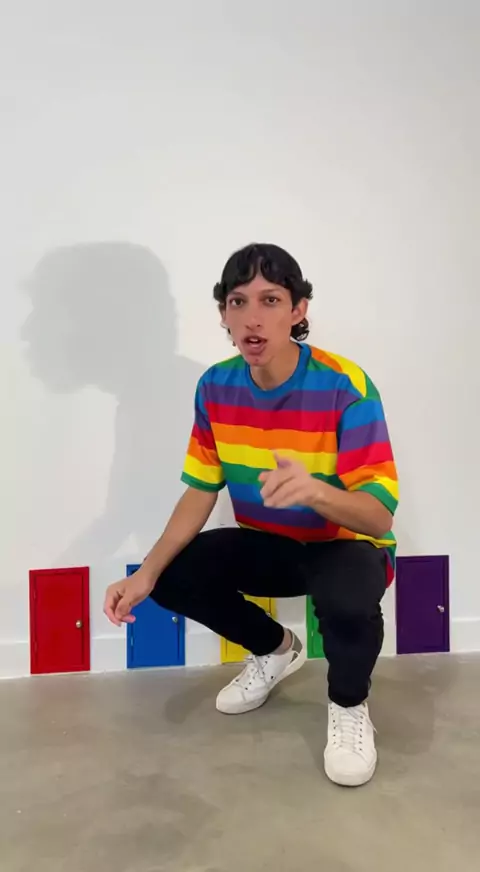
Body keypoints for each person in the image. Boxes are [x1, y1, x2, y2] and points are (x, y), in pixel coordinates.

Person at [104, 243, 398, 788]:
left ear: (298, 309)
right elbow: (200, 490)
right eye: (238, 302)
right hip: (272, 546)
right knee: (170, 576)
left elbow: (379, 518)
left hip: (348, 544)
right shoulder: (215, 387)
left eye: (270, 300)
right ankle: (276, 650)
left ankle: (349, 705)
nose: (252, 317)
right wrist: (145, 572)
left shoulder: (345, 385)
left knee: (348, 598)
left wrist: (316, 493)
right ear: (223, 314)